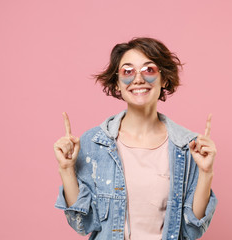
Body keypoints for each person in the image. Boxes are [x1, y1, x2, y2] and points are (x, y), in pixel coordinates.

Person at [54, 37, 218, 240]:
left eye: (149, 70)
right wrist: (66, 169)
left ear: (164, 78)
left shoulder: (187, 146)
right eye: (127, 71)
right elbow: (83, 224)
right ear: (117, 83)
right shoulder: (94, 142)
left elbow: (192, 229)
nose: (138, 79)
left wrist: (206, 172)